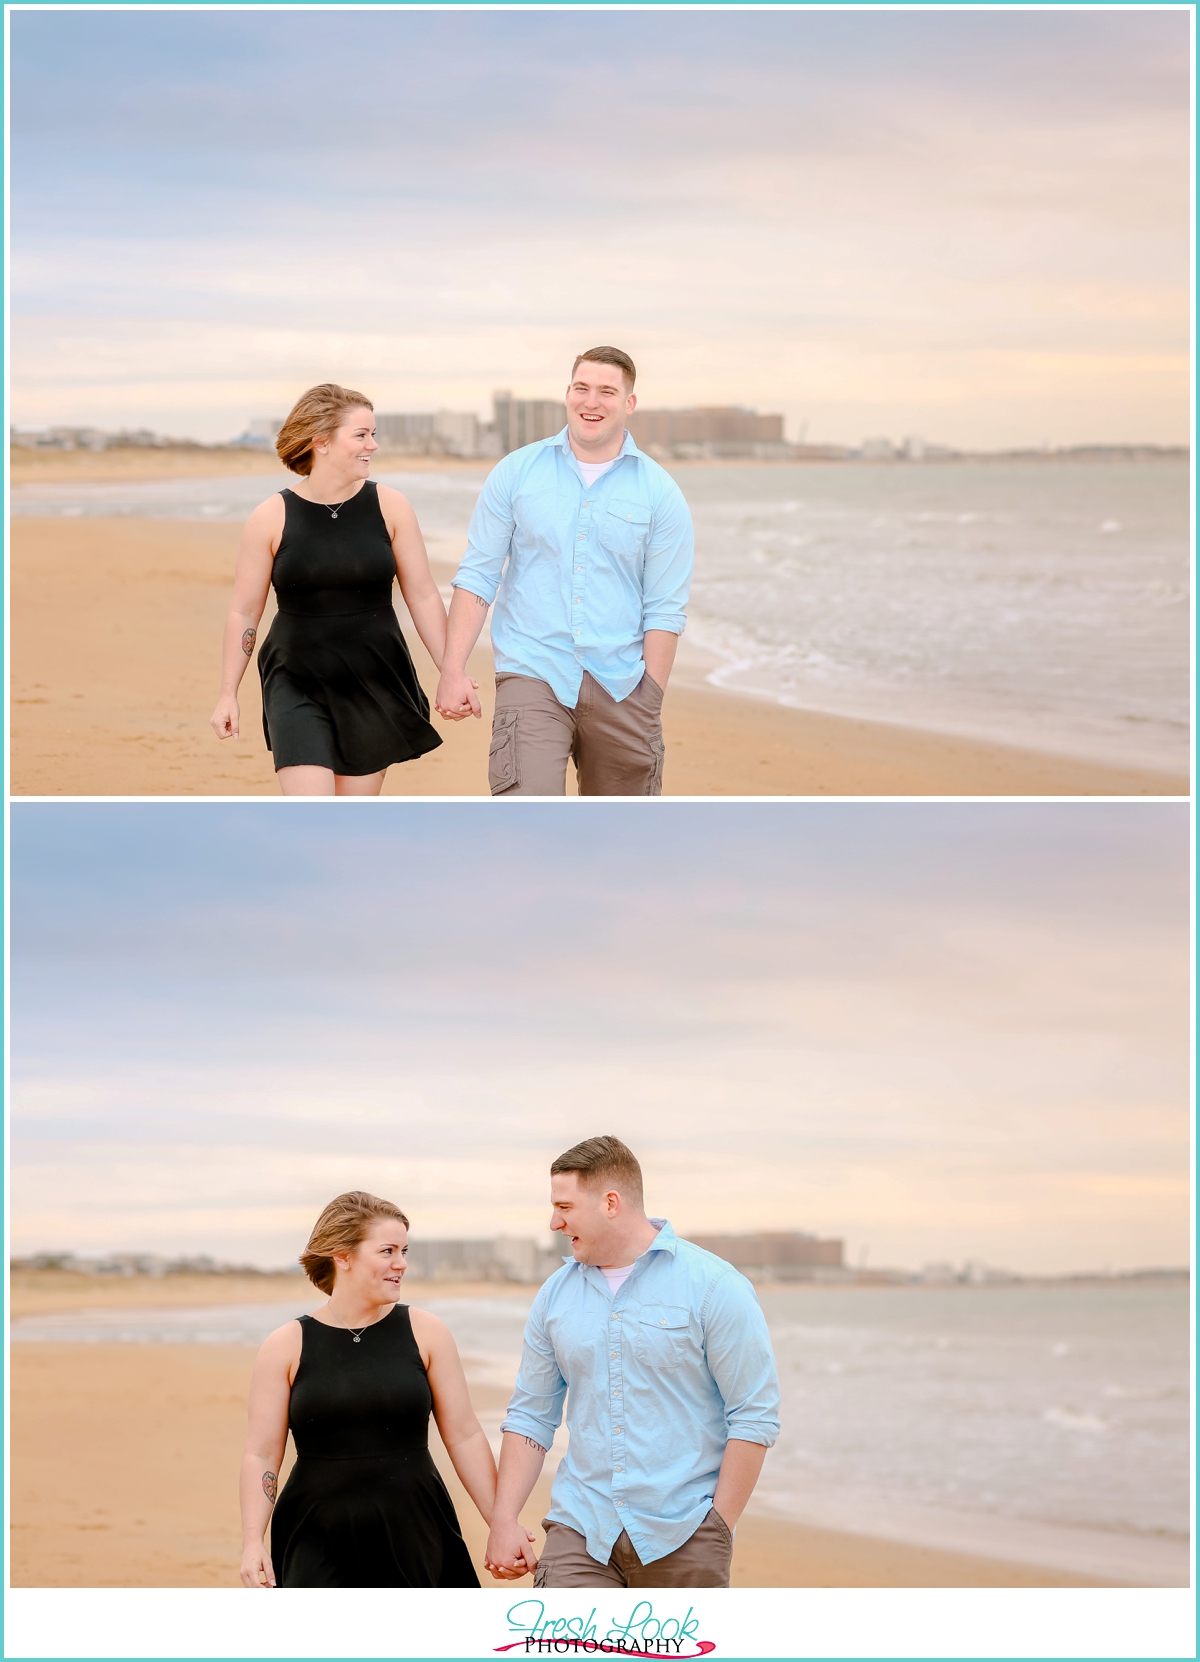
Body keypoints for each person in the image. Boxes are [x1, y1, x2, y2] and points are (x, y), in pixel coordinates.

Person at [484, 1137, 779, 1588]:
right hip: (580, 1530)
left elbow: (753, 1415)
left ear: (610, 1203)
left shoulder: (716, 1286)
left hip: (684, 1532)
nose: (554, 1222)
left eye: (564, 1206)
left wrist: (718, 1525)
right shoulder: (555, 1295)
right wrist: (504, 1519)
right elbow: (530, 1416)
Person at [434, 349, 694, 796]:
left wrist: (650, 695)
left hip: (624, 684)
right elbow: (478, 576)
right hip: (533, 673)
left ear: (629, 403)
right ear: (568, 394)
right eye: (582, 388)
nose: (591, 402)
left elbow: (665, 608)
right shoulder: (516, 473)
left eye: (607, 391)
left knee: (621, 841)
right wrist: (451, 669)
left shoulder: (661, 493)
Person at [239, 1190, 508, 1587]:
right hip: (315, 1533)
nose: (401, 1264)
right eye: (387, 1251)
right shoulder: (286, 1345)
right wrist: (252, 1541)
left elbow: (465, 1435)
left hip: (416, 1527)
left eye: (404, 1251)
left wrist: (500, 1524)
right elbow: (261, 1453)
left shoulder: (426, 1332)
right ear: (342, 1256)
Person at [210, 384, 466, 796]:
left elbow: (422, 596)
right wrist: (228, 693)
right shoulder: (271, 516)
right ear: (321, 441)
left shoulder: (391, 506)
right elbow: (244, 612)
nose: (373, 445)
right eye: (362, 435)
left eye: (374, 433)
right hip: (295, 679)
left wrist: (451, 672)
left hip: (374, 678)